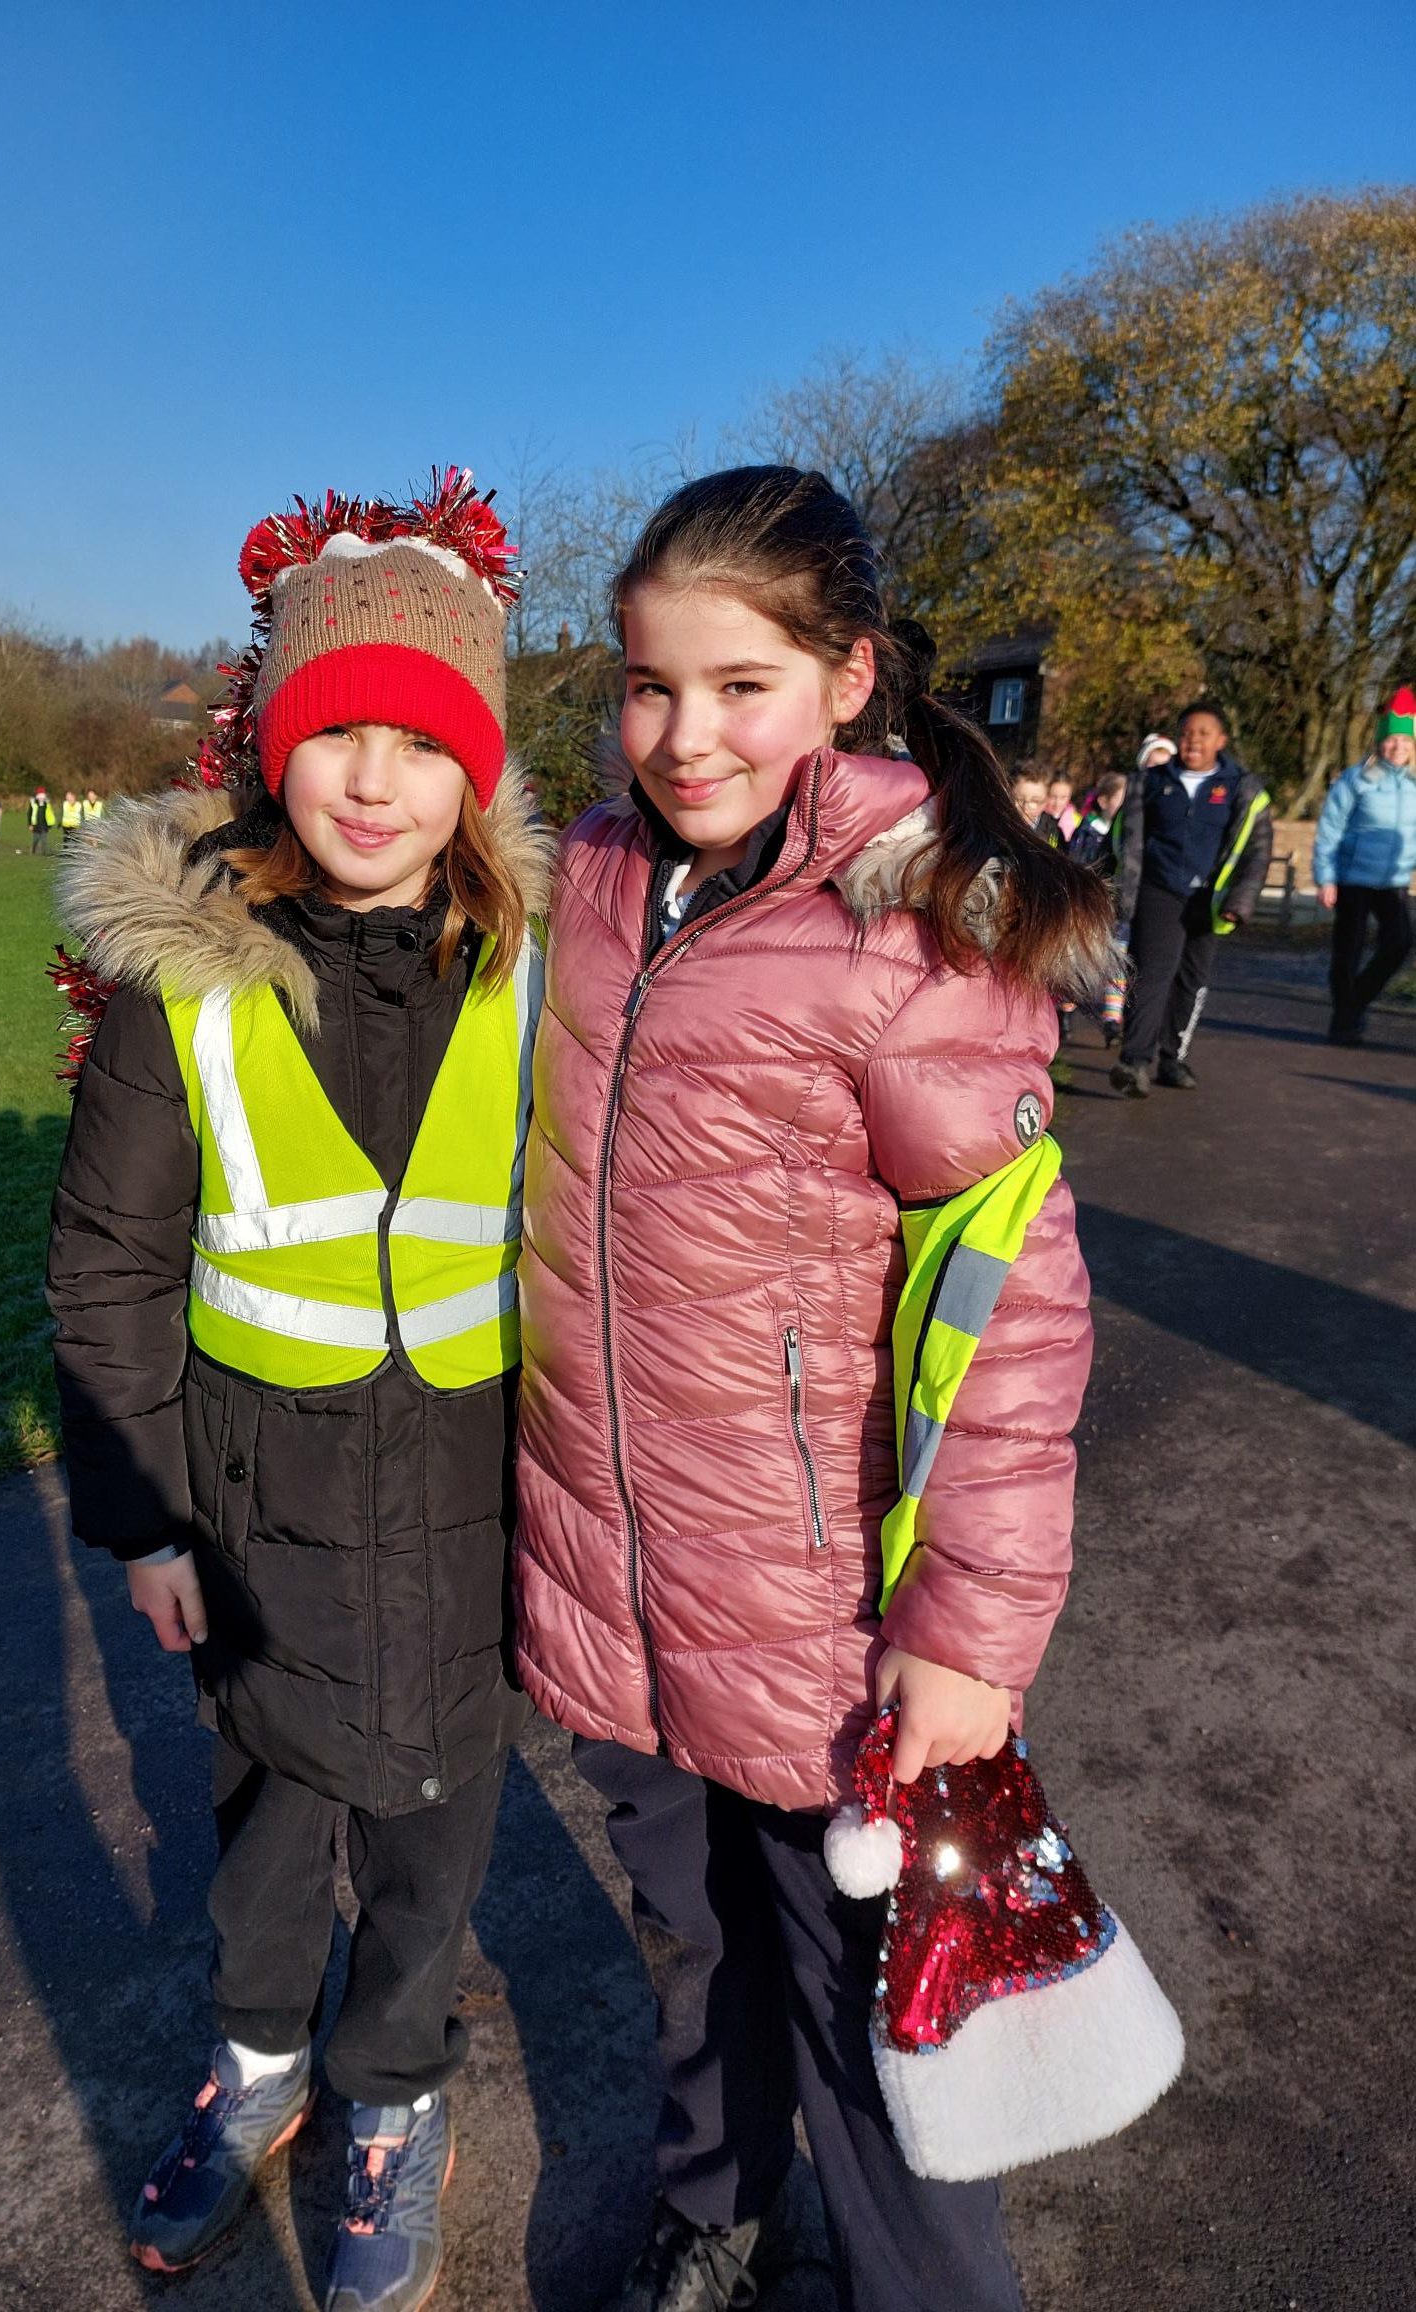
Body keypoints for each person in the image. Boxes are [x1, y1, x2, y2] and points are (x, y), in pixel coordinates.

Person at [512, 466, 1113, 2312]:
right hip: (615, 1580)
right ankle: (716, 2205)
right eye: (645, 686)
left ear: (847, 678)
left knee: (870, 2005)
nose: (682, 736)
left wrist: (969, 1634)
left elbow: (1009, 1310)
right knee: (695, 1956)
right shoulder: (590, 878)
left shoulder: (911, 927)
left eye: (738, 686)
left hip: (818, 1611)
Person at [46, 473, 549, 2312]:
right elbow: (106, 1271)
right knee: (265, 1830)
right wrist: (144, 1524)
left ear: (471, 772)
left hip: (474, 1503)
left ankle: (391, 2092)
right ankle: (257, 2062)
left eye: (420, 743)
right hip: (262, 1521)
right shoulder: (182, 996)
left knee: (432, 1826)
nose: (372, 779)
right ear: (273, 748)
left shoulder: (534, 976)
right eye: (334, 731)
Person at [1109, 701, 1271, 1097]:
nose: (1192, 740)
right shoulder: (1150, 781)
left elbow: (1257, 852)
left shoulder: (1242, 788)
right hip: (1159, 890)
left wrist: (1240, 901)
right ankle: (1134, 1062)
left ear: (1221, 740)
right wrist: (1115, 889)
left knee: (1191, 980)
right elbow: (1121, 838)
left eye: (1202, 733)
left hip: (1209, 899)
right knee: (1151, 974)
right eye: (1185, 733)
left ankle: (1173, 1058)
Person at [1311, 686, 1416, 1045]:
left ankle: (1354, 1004)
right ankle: (1344, 1024)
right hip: (1352, 878)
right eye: (1391, 740)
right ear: (1379, 742)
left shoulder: (1414, 785)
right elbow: (1330, 830)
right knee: (1348, 952)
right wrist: (1326, 878)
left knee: (1400, 943)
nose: (1397, 747)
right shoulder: (1356, 780)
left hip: (1393, 881)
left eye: (1405, 741)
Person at [1067, 772, 1130, 1043]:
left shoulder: (1128, 833)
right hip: (1088, 907)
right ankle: (1065, 1011)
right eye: (1121, 799)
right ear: (1103, 802)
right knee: (1077, 963)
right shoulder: (1088, 831)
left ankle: (1112, 1020)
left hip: (1116, 912)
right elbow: (1076, 863)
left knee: (1117, 964)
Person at [28, 787, 55, 854]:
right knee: (35, 839)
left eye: (42, 796)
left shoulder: (47, 804)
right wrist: (30, 824)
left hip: (44, 825)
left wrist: (50, 825)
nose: (41, 798)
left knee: (44, 840)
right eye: (39, 796)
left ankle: (44, 853)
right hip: (35, 825)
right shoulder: (33, 804)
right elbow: (29, 814)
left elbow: (50, 814)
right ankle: (33, 851)